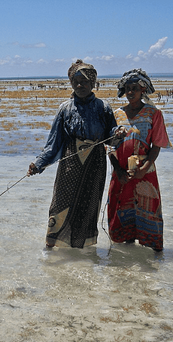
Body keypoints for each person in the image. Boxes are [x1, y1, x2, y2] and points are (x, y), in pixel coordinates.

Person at [27, 59, 120, 248]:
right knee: (59, 206)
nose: (80, 85)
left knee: (88, 208)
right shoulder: (65, 109)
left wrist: (118, 134)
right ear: (71, 83)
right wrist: (38, 164)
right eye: (76, 81)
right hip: (70, 165)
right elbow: (53, 144)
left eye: (85, 81)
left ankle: (83, 254)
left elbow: (111, 140)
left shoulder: (104, 108)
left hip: (95, 165)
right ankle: (50, 250)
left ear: (93, 83)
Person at [107, 69, 170, 252]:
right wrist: (118, 170)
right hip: (121, 173)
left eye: (135, 88)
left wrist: (144, 168)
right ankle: (126, 260)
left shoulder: (153, 113)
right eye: (127, 88)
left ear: (143, 90)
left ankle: (155, 265)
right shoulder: (117, 114)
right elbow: (110, 146)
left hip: (145, 173)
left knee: (149, 213)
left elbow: (156, 145)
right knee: (121, 214)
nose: (130, 92)